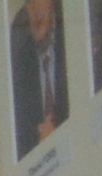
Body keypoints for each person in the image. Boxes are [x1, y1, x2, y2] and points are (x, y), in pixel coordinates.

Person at [16, 0, 74, 155]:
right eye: (29, 3)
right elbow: (25, 141)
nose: (35, 10)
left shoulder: (71, 36)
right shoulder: (22, 64)